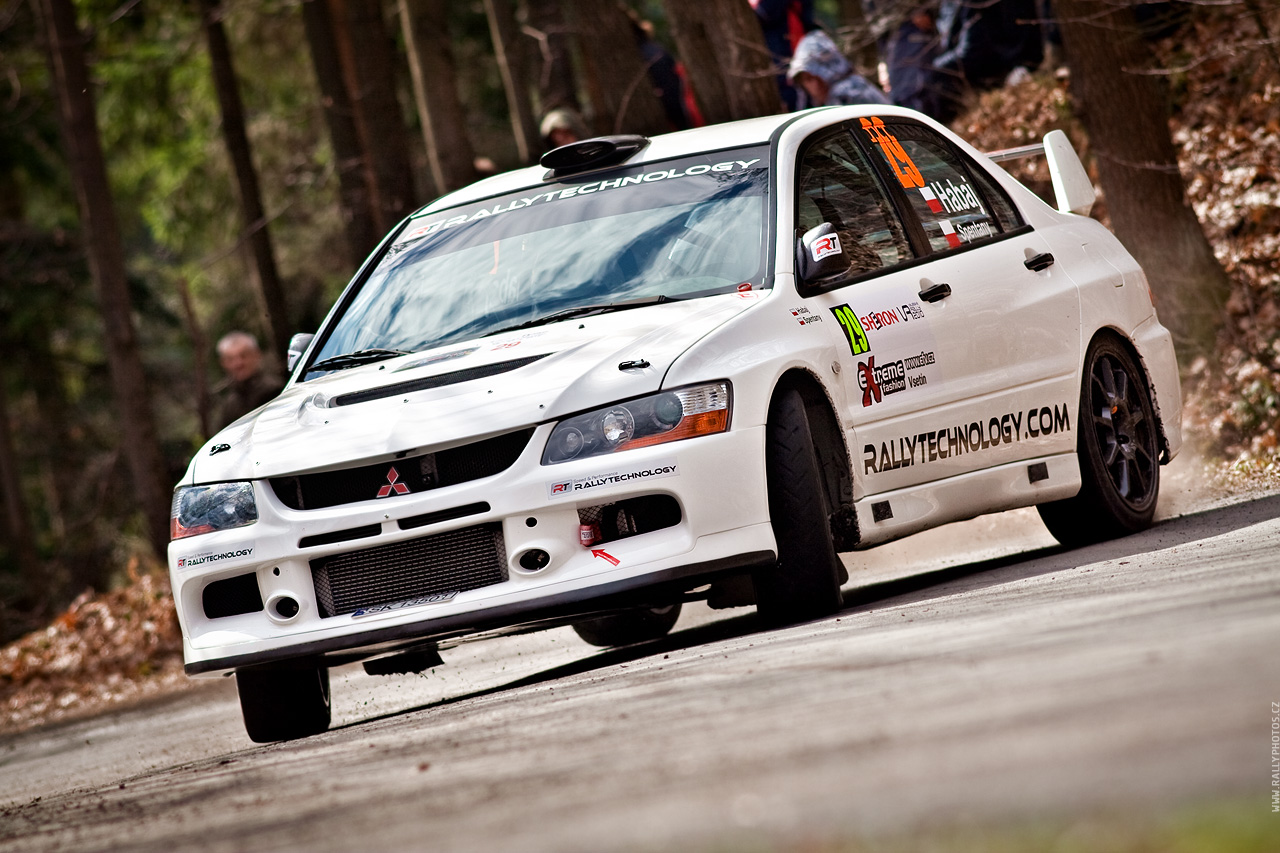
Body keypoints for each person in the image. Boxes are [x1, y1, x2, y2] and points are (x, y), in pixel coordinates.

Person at [787, 29, 889, 109]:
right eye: (808, 79)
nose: (816, 84)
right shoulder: (851, 85)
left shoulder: (845, 93)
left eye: (818, 75)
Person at [212, 331, 284, 432]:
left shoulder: (274, 391)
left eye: (244, 356)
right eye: (230, 359)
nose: (238, 364)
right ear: (223, 363)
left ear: (256, 355)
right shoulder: (229, 403)